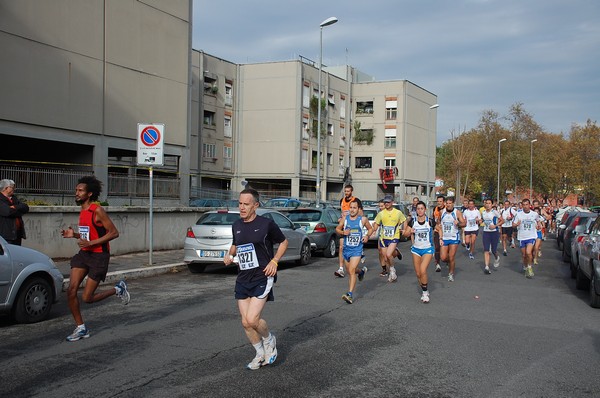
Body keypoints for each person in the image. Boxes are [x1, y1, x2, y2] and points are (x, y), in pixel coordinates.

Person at [223, 188, 288, 370]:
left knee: (252, 319)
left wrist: (275, 261)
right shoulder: (236, 225)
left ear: (256, 205)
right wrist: (229, 255)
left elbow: (284, 242)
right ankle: (260, 354)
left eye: (246, 204)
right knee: (245, 322)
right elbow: (236, 244)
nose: (242, 208)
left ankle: (269, 340)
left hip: (262, 275)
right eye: (240, 204)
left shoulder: (266, 224)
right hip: (243, 277)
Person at [61, 176, 128, 342]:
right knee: (71, 291)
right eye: (76, 190)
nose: (76, 193)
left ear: (89, 193)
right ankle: (81, 328)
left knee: (87, 298)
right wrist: (74, 235)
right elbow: (88, 234)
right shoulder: (83, 211)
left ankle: (118, 289)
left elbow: (114, 233)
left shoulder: (97, 211)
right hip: (84, 254)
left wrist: (90, 242)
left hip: (99, 256)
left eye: (80, 190)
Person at [336, 200, 373, 304]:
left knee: (351, 270)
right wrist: (343, 232)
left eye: (354, 208)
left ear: (358, 209)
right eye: (350, 208)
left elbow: (370, 229)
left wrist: (367, 236)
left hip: (357, 250)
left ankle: (350, 294)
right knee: (350, 271)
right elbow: (337, 229)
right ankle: (361, 272)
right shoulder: (345, 219)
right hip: (347, 249)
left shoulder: (363, 220)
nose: (352, 210)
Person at [403, 201, 436, 303]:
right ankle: (424, 289)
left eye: (422, 208)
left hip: (427, 249)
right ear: (416, 210)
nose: (420, 210)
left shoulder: (430, 221)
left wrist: (441, 239)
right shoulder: (412, 222)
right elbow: (405, 234)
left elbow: (439, 228)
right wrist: (410, 232)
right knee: (418, 274)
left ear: (425, 209)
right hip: (416, 249)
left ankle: (425, 293)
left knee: (422, 270)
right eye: (418, 209)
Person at [372, 195, 406, 283]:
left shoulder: (398, 212)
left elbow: (404, 220)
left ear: (392, 202)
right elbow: (377, 223)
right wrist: (373, 230)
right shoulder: (381, 213)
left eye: (388, 202)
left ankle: (392, 271)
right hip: (383, 238)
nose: (386, 204)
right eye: (385, 202)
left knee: (388, 254)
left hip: (394, 237)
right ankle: (393, 262)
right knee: (386, 258)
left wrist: (404, 229)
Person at [335, 185, 361, 278]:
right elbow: (342, 212)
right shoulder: (341, 200)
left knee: (354, 245)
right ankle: (341, 268)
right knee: (342, 247)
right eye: (345, 191)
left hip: (354, 226)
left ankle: (359, 255)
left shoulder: (356, 201)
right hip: (344, 226)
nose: (346, 193)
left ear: (352, 191)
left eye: (348, 191)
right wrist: (340, 218)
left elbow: (361, 213)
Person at [512, 198, 542, 279]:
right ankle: (525, 266)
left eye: (527, 205)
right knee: (524, 255)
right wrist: (516, 224)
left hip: (531, 236)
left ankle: (529, 267)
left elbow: (538, 220)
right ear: (522, 205)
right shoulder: (519, 214)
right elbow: (513, 224)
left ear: (529, 205)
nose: (525, 206)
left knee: (529, 252)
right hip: (522, 236)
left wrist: (539, 225)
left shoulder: (534, 214)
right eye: (524, 205)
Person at [439, 196, 466, 281]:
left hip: (454, 237)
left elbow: (464, 224)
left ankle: (451, 274)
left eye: (450, 203)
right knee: (443, 258)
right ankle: (449, 262)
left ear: (453, 204)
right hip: (444, 238)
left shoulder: (457, 212)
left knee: (451, 257)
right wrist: (438, 227)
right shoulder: (441, 212)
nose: (448, 205)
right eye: (447, 203)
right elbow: (438, 223)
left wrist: (458, 224)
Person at [0, 179, 29, 245]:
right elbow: (8, 212)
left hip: (17, 234)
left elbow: (26, 207)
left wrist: (15, 207)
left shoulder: (14, 198)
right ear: (6, 188)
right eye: (12, 187)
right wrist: (19, 212)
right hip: (6, 235)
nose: (14, 189)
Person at [480, 199, 503, 274]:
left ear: (492, 205)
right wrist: (480, 221)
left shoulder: (494, 212)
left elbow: (502, 220)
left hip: (494, 233)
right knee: (486, 250)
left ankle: (497, 257)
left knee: (493, 250)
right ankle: (487, 267)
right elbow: (482, 220)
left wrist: (495, 226)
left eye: (489, 203)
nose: (487, 205)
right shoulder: (483, 212)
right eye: (486, 203)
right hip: (486, 232)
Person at [432, 195, 445, 272]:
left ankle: (446, 259)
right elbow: (433, 220)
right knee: (437, 247)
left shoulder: (447, 209)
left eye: (440, 201)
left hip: (446, 232)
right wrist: (435, 224)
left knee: (445, 249)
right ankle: (437, 264)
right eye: (438, 201)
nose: (439, 203)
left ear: (444, 202)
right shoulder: (435, 209)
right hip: (437, 230)